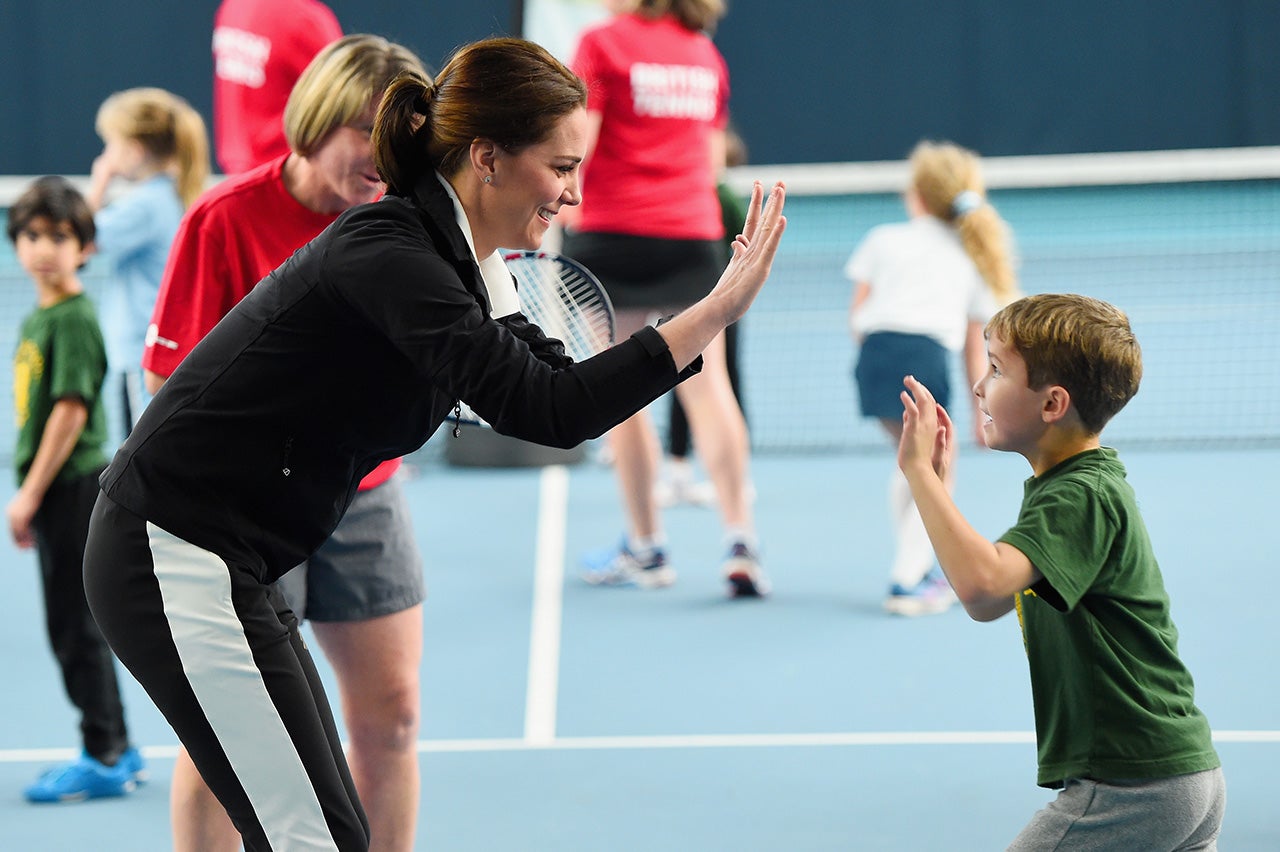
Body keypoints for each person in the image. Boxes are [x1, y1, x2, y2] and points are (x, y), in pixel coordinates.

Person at [83, 36, 786, 851]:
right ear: (487, 159)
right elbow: (547, 407)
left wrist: (702, 319)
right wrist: (713, 310)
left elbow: (559, 396)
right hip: (172, 551)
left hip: (239, 557)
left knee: (328, 831)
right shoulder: (390, 251)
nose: (573, 192)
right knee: (310, 837)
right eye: (561, 167)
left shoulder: (469, 263)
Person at [143, 35, 430, 852]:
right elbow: (169, 388)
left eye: (402, 142)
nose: (385, 159)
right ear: (315, 120)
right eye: (367, 134)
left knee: (394, 717)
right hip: (248, 513)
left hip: (365, 496)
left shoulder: (408, 223)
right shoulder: (224, 219)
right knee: (228, 738)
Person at [898, 293, 1224, 849]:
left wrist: (918, 475)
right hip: (1176, 777)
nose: (978, 386)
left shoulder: (1078, 495)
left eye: (996, 369)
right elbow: (986, 602)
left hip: (1131, 785)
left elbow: (981, 581)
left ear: (1052, 404)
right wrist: (937, 486)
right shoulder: (1071, 489)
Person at [565, 0, 768, 597]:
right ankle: (741, 540)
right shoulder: (703, 53)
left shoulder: (601, 43)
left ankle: (647, 548)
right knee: (711, 388)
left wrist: (550, 209)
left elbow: (578, 144)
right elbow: (711, 164)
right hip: (691, 237)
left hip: (613, 236)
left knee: (621, 393)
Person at [5, 176, 146, 802]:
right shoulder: (43, 316)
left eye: (59, 237)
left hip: (72, 487)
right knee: (74, 621)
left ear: (85, 248)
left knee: (74, 626)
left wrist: (29, 494)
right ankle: (116, 745)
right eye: (32, 235)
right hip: (58, 489)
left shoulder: (74, 320)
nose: (43, 249)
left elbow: (68, 411)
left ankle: (104, 752)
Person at [843, 140, 1017, 616]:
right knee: (935, 471)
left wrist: (878, 363)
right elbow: (974, 346)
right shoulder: (970, 253)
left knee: (913, 463)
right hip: (926, 359)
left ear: (917, 195)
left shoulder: (881, 239)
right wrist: (985, 410)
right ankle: (907, 581)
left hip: (875, 358)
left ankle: (917, 569)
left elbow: (857, 318)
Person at [85, 87, 210, 440]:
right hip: (154, 349)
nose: (106, 156)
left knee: (140, 450)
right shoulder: (168, 195)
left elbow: (78, 242)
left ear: (134, 150)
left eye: (111, 145)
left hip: (140, 353)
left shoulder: (145, 205)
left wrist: (99, 182)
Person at [658, 123, 749, 509]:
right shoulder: (682, 195)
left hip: (723, 307)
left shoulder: (724, 197)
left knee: (725, 384)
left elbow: (747, 250)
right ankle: (678, 471)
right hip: (686, 305)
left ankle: (736, 480)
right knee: (682, 381)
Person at [211, 0, 343, 174]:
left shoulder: (233, 7)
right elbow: (348, 102)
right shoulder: (305, 20)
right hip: (285, 176)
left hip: (240, 173)